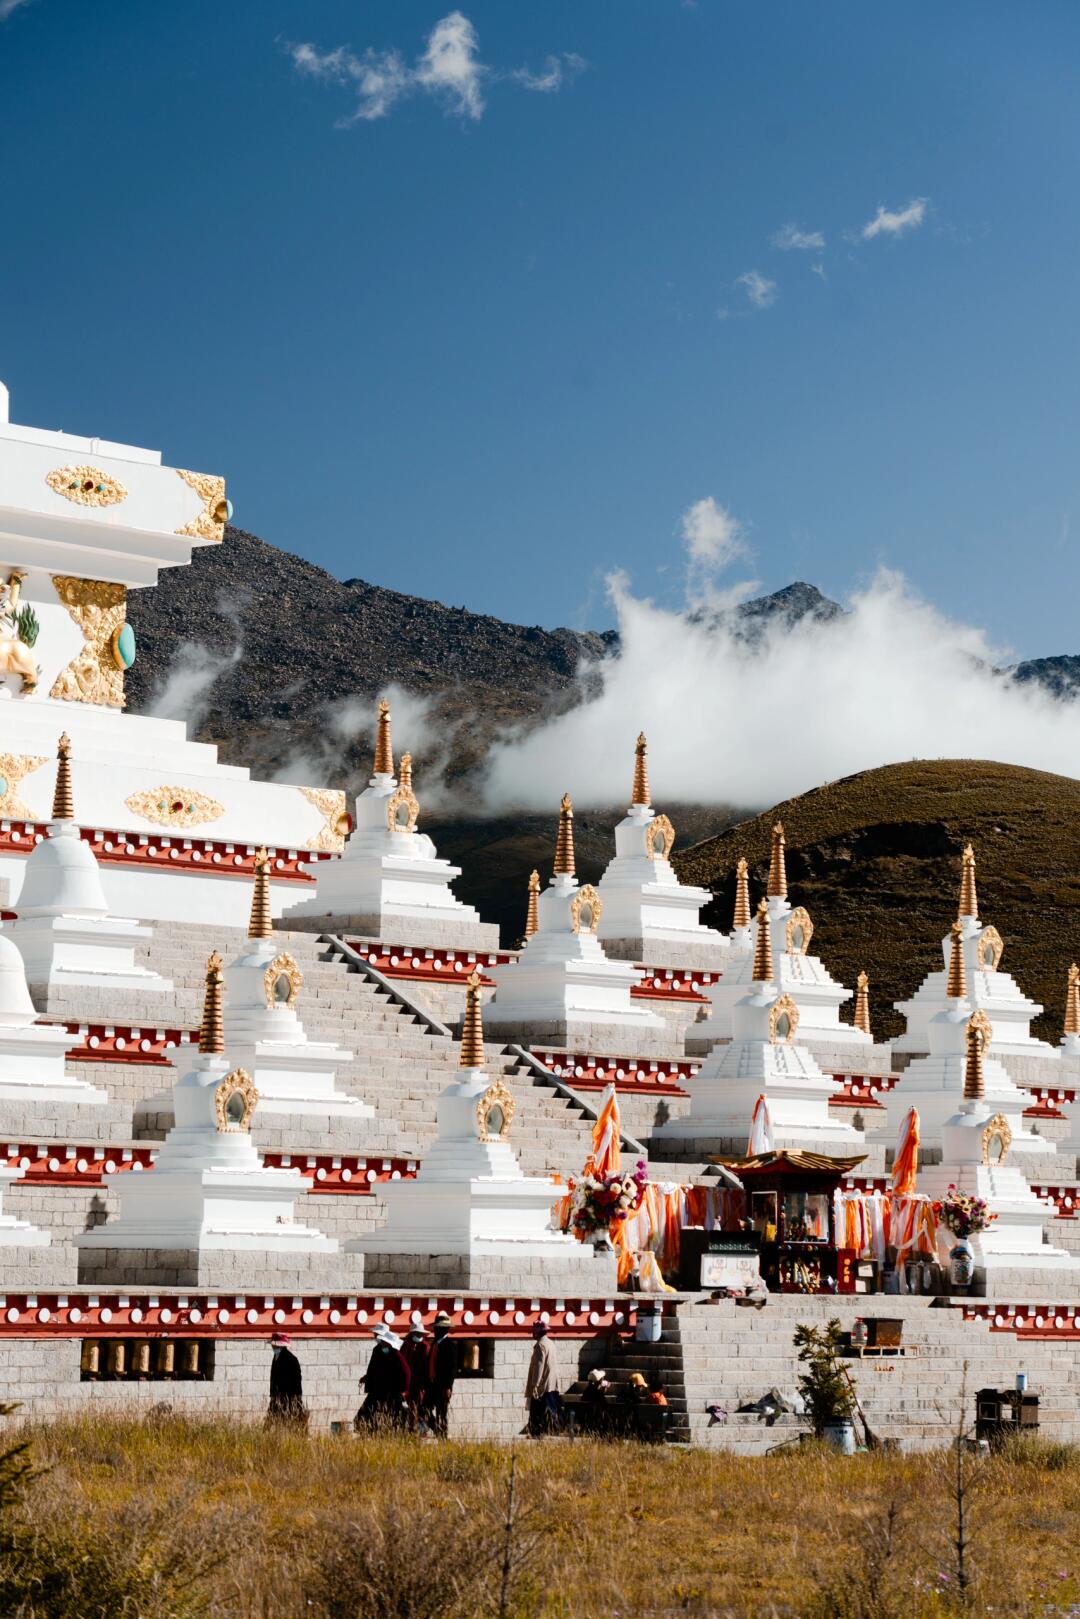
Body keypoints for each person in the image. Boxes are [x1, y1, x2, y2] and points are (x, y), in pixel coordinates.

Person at [355, 1325, 410, 1430]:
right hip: (378, 1388)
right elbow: (375, 1368)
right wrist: (367, 1377)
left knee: (392, 1414)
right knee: (368, 1412)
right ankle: (368, 1430)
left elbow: (406, 1373)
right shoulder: (378, 1350)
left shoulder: (396, 1355)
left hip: (391, 1391)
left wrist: (403, 1390)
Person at [424, 1311, 457, 1437]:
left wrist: (448, 1386)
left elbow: (452, 1368)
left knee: (441, 1413)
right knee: (424, 1409)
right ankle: (438, 1431)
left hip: (442, 1385)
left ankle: (443, 1437)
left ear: (445, 1330)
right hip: (431, 1384)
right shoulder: (434, 1344)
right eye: (435, 1328)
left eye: (438, 1328)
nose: (436, 1330)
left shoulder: (450, 1345)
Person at [525, 1321, 557, 1436]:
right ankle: (545, 1431)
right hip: (550, 1384)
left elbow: (539, 1366)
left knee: (536, 1411)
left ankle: (536, 1433)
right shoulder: (551, 1344)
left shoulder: (540, 1346)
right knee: (547, 1410)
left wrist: (535, 1384)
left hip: (541, 1385)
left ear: (537, 1333)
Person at [267, 1332, 305, 1426]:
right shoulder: (275, 1357)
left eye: (274, 1345)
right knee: (272, 1421)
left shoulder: (291, 1359)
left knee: (288, 1423)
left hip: (288, 1397)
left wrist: (296, 1398)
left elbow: (297, 1381)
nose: (272, 1347)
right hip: (276, 1397)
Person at [401, 1323, 432, 1430]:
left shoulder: (425, 1347)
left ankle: (422, 1429)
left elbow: (428, 1366)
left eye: (420, 1334)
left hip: (420, 1383)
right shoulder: (405, 1346)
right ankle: (411, 1428)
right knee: (410, 1407)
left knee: (421, 1407)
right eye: (416, 1333)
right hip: (408, 1383)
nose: (418, 1335)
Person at [580, 1367, 613, 1436]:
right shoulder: (598, 1393)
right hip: (596, 1420)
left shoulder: (586, 1391)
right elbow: (605, 1405)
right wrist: (603, 1392)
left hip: (586, 1418)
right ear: (600, 1381)